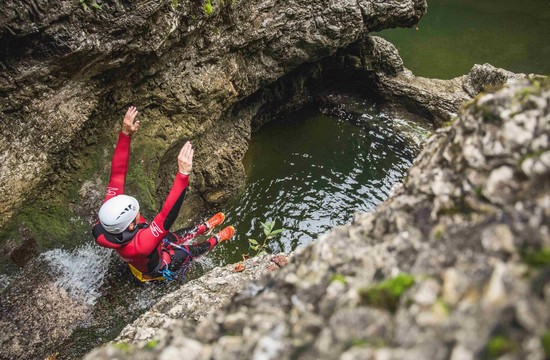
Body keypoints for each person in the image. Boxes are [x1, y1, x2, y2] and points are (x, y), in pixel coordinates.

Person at [92, 106, 235, 282]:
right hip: (158, 265)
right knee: (188, 252)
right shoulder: (141, 244)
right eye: (135, 212)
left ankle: (203, 227)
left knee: (175, 236)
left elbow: (117, 174)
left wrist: (125, 133)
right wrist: (183, 174)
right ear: (130, 226)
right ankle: (216, 239)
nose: (139, 211)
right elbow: (167, 215)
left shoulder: (109, 216)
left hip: (147, 249)